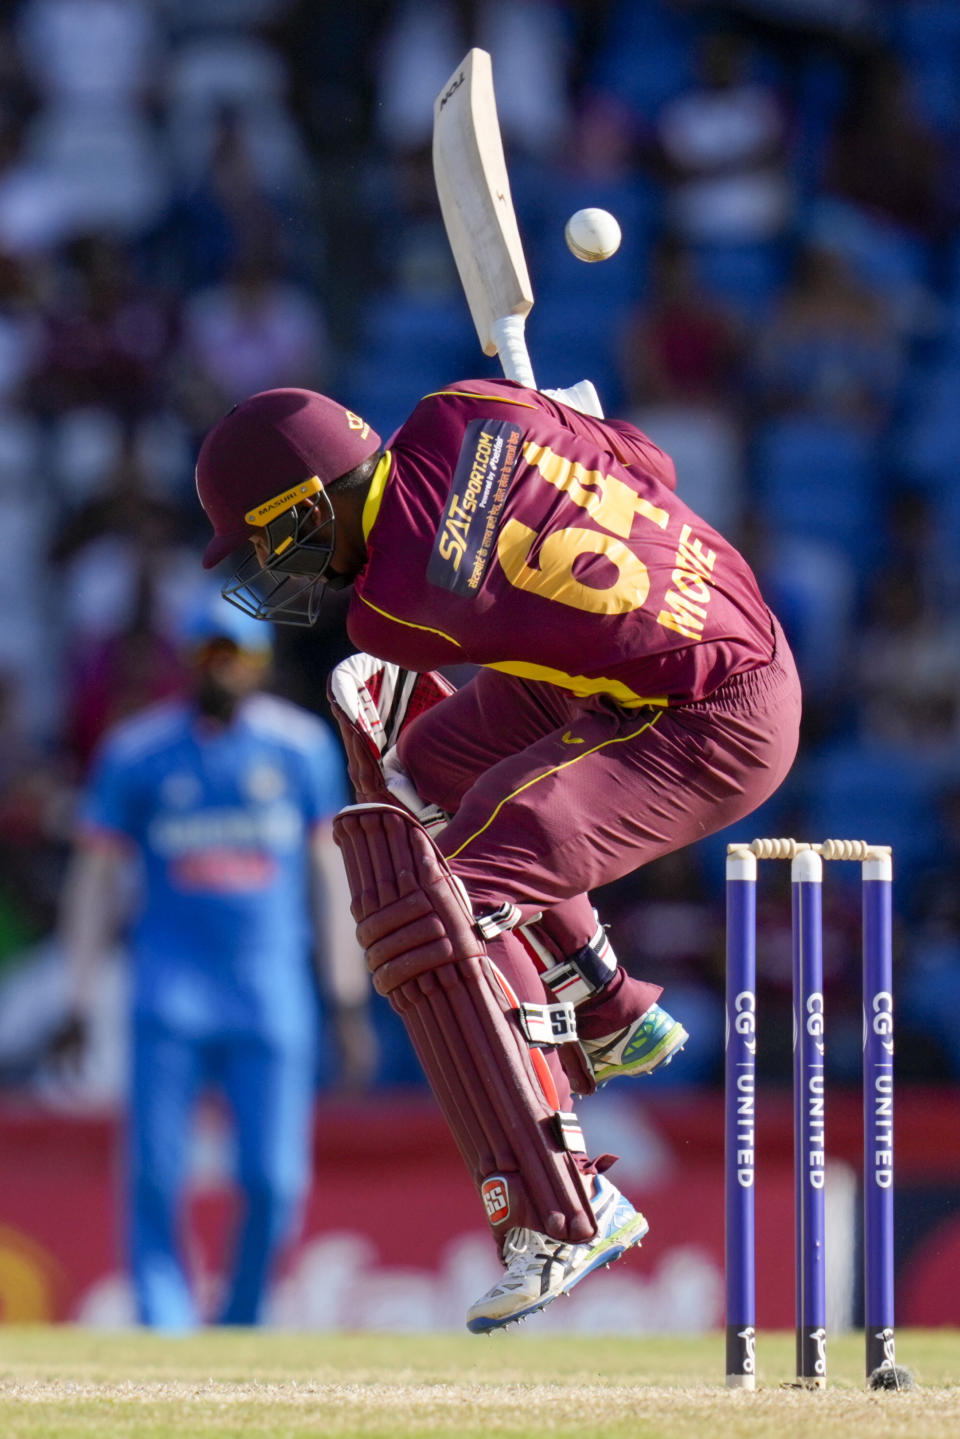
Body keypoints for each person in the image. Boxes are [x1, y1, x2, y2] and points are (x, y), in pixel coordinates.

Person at [194, 379, 801, 1331]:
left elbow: (447, 578)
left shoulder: (390, 607)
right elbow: (652, 463)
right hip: (707, 634)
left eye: (273, 540)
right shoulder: (467, 403)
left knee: (442, 902)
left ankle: (564, 1205)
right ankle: (608, 1007)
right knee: (432, 759)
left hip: (709, 718)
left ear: (312, 503)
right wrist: (552, 416)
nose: (278, 569)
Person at [56, 586, 373, 1329]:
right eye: (207, 654)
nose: (220, 670)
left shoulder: (298, 749)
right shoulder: (136, 753)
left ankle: (242, 1322)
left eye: (233, 656)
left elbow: (329, 877)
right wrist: (77, 996)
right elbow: (94, 880)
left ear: (258, 662)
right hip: (169, 991)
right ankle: (164, 1319)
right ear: (187, 659)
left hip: (270, 991)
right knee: (157, 1173)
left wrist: (347, 995)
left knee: (272, 1178)